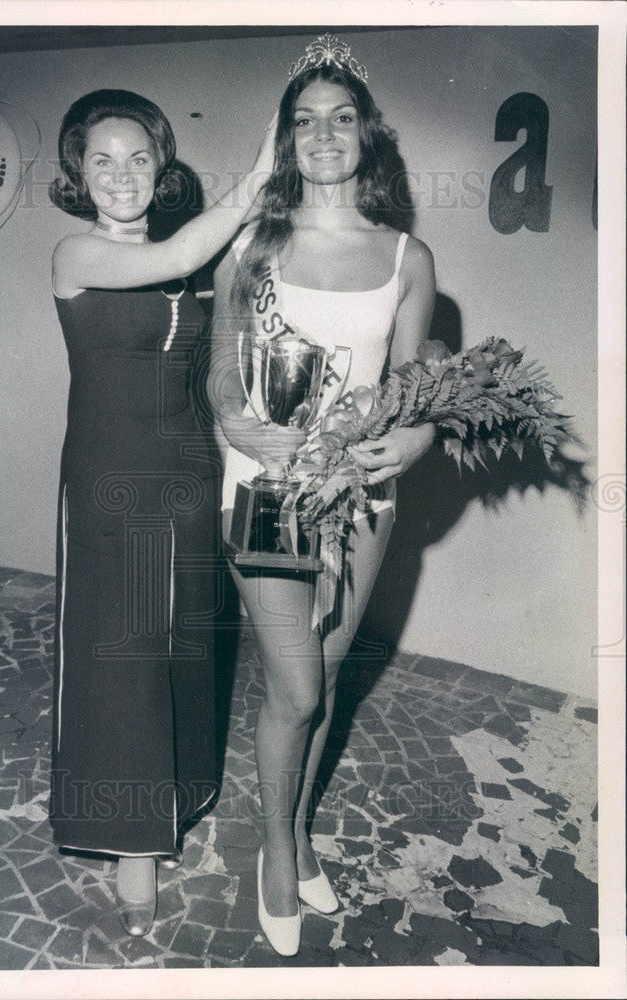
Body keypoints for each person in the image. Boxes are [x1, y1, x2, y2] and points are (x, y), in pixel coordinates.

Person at [208, 37, 437, 956]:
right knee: (295, 690)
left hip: (363, 499)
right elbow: (224, 371)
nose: (323, 135)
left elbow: (418, 384)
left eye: (341, 118)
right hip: (265, 489)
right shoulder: (253, 245)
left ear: (367, 136)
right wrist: (238, 421)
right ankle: (273, 848)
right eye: (303, 121)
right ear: (285, 139)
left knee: (332, 675)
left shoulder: (408, 256)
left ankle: (301, 834)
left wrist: (415, 438)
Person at [48, 88, 276, 937]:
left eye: (138, 157)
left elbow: (224, 328)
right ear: (78, 173)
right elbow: (186, 244)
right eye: (101, 160)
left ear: (161, 164)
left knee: (183, 638)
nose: (121, 175)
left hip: (187, 470)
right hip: (112, 478)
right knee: (127, 656)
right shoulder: (77, 255)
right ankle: (132, 842)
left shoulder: (189, 261)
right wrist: (257, 175)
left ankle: (175, 792)